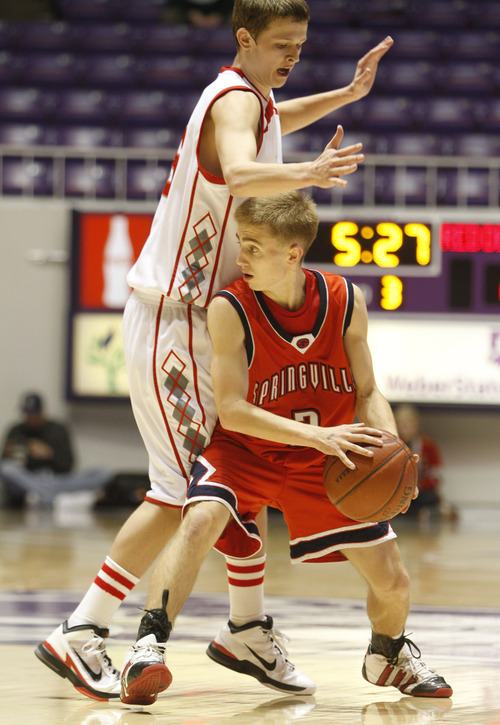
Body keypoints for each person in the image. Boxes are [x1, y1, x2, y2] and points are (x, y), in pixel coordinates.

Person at [36, 0, 394, 702]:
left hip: (202, 321)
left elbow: (270, 124)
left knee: (237, 475)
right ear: (244, 39)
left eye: (301, 44)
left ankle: (247, 626)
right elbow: (236, 168)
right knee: (182, 494)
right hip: (175, 318)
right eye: (282, 44)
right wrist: (309, 176)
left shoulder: (253, 99)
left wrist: (344, 96)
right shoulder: (232, 100)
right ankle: (83, 629)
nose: (293, 55)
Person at [120, 192, 452, 706]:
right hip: (248, 451)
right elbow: (231, 408)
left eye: (253, 247)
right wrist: (319, 435)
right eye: (240, 244)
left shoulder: (345, 300)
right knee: (202, 516)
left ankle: (388, 654)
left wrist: (387, 445)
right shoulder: (230, 308)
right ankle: (147, 645)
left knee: (394, 581)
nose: (241, 257)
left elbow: (367, 392)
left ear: (293, 253)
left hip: (326, 462)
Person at [0, 392, 113, 508]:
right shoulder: (16, 431)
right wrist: (7, 454)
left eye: (33, 414)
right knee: (6, 468)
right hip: (29, 480)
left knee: (103, 472)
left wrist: (49, 454)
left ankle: (44, 495)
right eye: (27, 414)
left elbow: (69, 465)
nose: (30, 418)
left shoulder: (58, 429)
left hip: (58, 480)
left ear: (41, 411)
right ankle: (51, 496)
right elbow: (6, 467)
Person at [394, 404, 457, 525]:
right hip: (399, 493)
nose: (404, 427)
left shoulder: (428, 444)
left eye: (408, 422)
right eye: (400, 423)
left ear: (416, 424)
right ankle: (424, 513)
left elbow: (436, 475)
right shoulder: (391, 447)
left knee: (430, 497)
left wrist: (417, 487)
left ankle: (424, 512)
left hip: (421, 491)